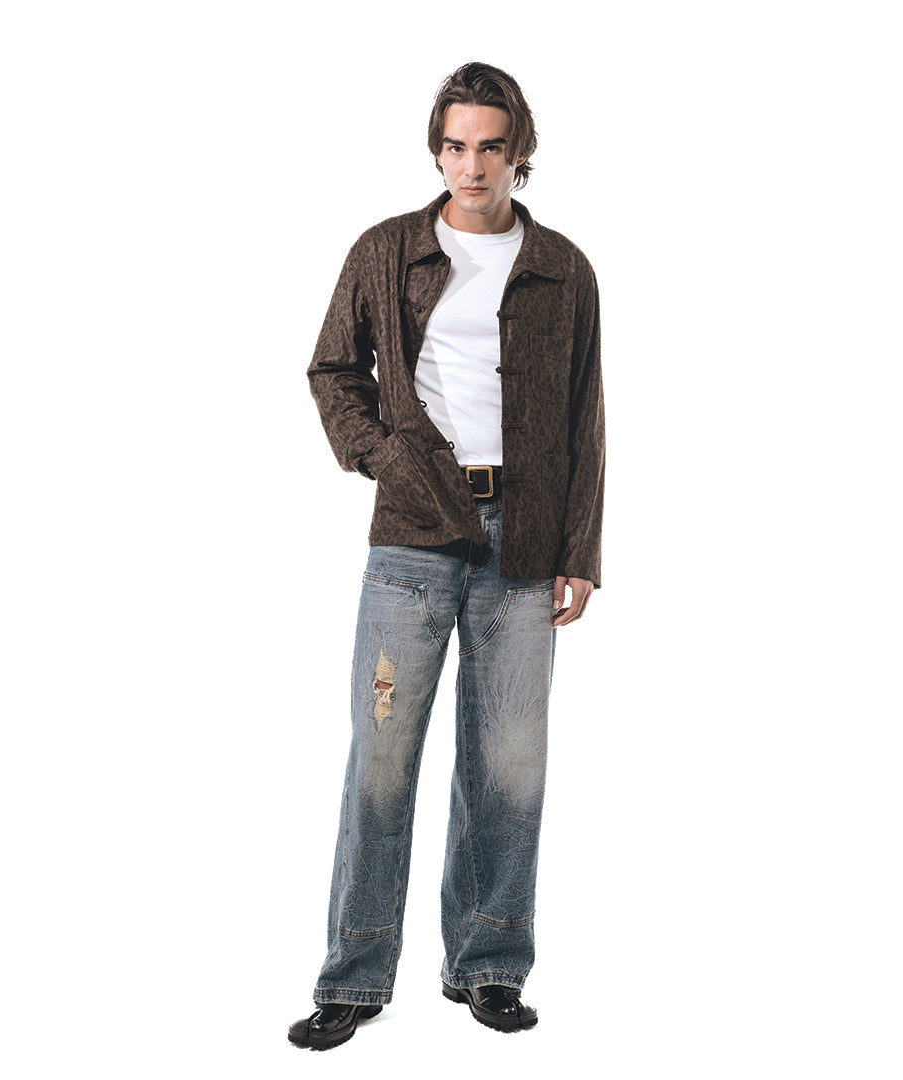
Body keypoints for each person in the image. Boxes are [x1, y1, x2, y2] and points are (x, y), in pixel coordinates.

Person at [289, 61, 605, 1050]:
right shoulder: (387, 251)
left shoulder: (562, 268)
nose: (471, 165)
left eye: (490, 147)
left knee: (509, 763)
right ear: (438, 151)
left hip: (526, 540)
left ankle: (489, 963)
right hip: (413, 537)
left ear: (519, 153)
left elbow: (586, 413)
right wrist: (387, 458)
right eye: (456, 146)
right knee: (382, 757)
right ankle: (353, 976)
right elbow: (333, 370)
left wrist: (580, 549)